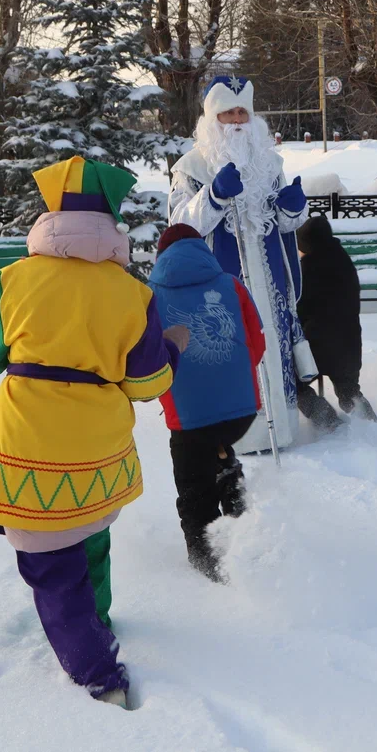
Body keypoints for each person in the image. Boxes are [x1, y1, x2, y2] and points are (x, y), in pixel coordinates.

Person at [0, 156, 187, 709]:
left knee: (51, 565)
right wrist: (173, 345)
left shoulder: (15, 279)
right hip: (101, 447)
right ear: (111, 220)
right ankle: (97, 621)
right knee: (89, 535)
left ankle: (98, 676)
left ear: (49, 213)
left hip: (31, 446)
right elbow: (149, 382)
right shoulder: (132, 293)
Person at [170, 75, 312, 453]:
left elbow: (284, 223)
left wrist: (293, 208)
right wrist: (213, 196)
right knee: (233, 349)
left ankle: (280, 429)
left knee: (272, 345)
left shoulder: (270, 163)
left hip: (269, 278)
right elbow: (178, 225)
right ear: (211, 118)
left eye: (241, 113)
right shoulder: (192, 167)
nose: (235, 121)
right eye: (227, 113)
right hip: (220, 284)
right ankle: (237, 437)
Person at [147, 223, 266, 582]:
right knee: (219, 448)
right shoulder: (231, 283)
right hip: (241, 410)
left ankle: (207, 567)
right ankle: (243, 525)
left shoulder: (148, 295)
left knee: (194, 487)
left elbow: (148, 358)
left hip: (188, 417)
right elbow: (257, 344)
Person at [294, 214, 377, 427]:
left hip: (319, 345)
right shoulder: (342, 258)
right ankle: (371, 425)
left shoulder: (310, 268)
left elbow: (300, 309)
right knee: (348, 389)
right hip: (350, 343)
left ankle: (330, 424)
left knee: (294, 385)